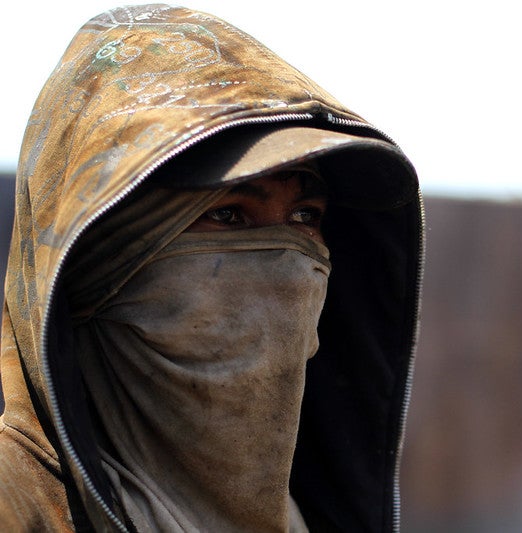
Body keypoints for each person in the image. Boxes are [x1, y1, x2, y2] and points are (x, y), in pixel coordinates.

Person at [0, 4, 423, 532]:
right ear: (100, 259)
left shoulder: (309, 515)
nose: (290, 268)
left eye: (304, 217)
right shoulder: (19, 508)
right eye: (227, 214)